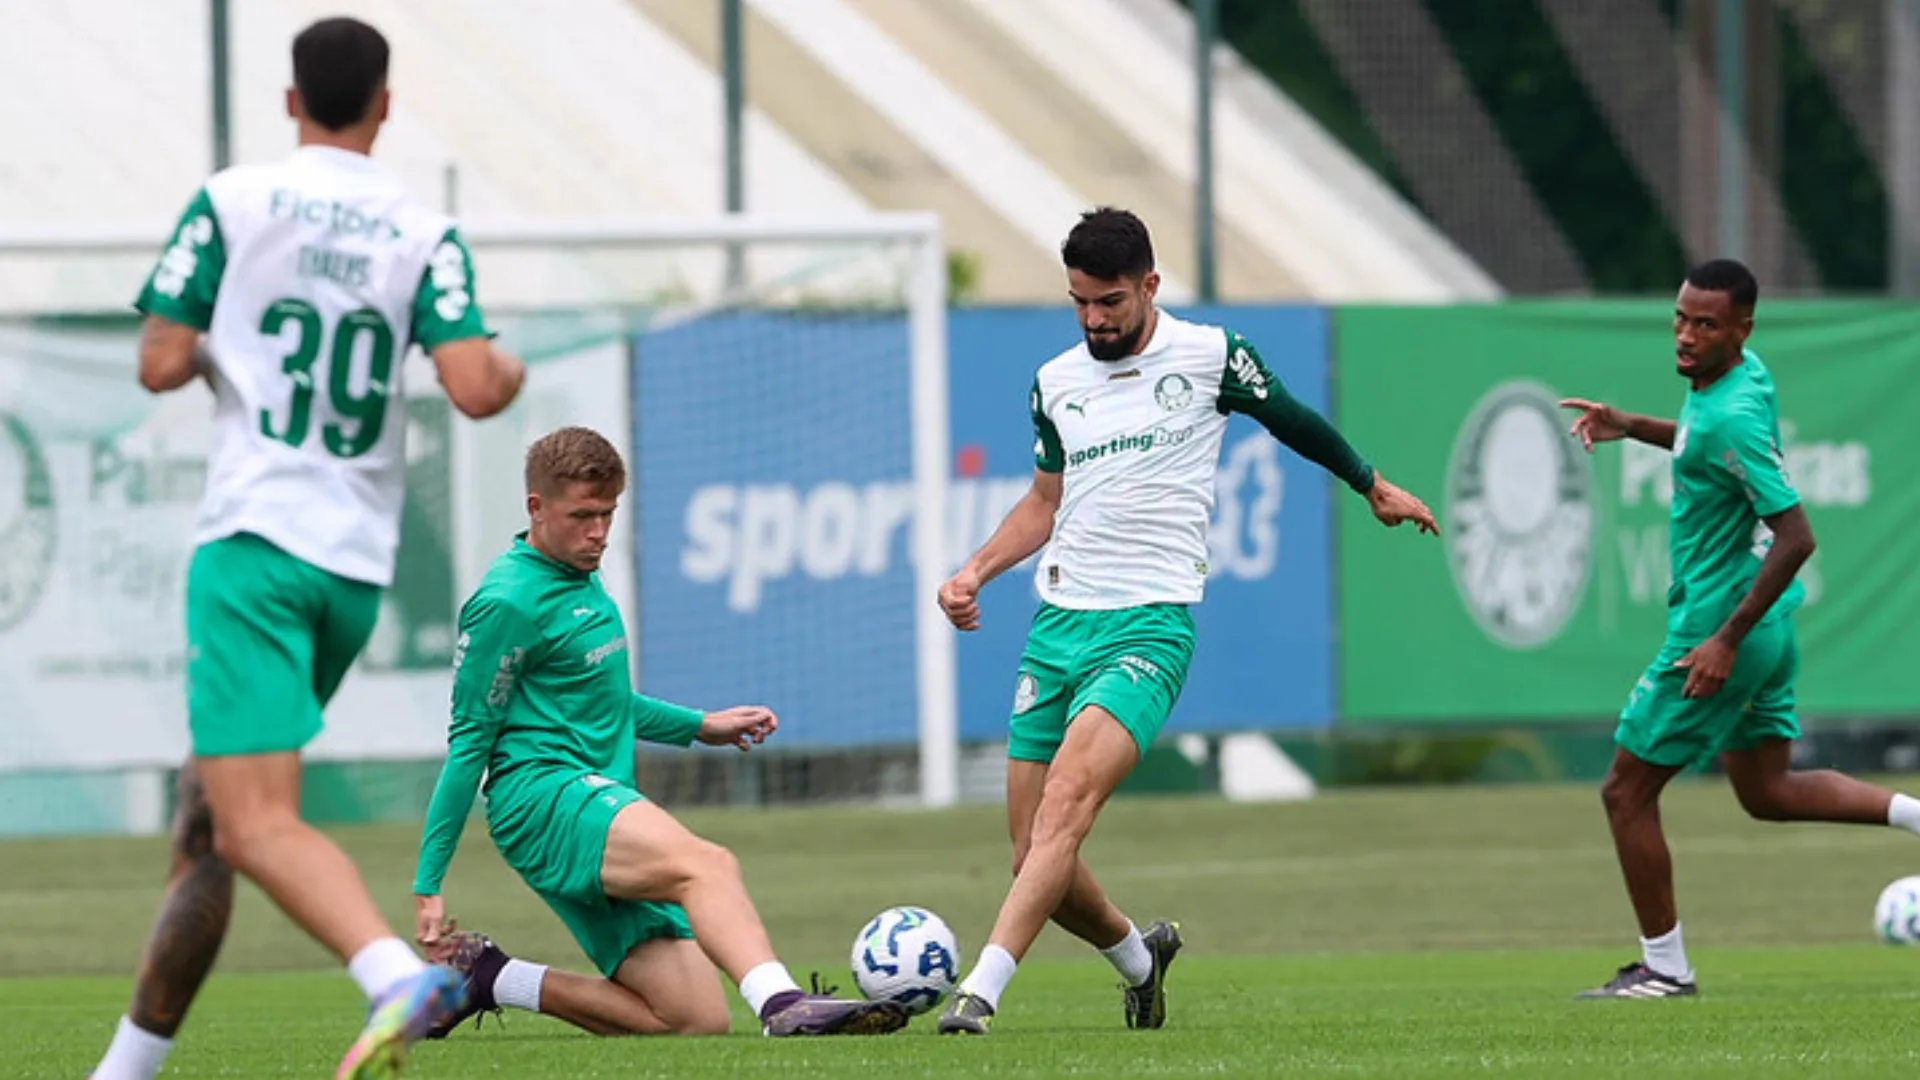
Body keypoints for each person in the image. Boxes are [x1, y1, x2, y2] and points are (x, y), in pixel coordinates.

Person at [88, 16, 527, 1080]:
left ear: (291, 102)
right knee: (209, 818)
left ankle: (392, 975)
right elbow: (475, 387)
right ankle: (124, 1069)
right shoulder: (425, 232)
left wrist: (222, 354)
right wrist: (509, 371)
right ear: (386, 104)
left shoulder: (233, 200)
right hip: (349, 571)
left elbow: (157, 363)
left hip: (253, 545)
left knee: (253, 824)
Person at [933, 207, 1439, 1035]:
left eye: (1111, 302)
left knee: (1065, 807)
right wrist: (975, 570)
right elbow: (1043, 502)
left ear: (1150, 287)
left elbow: (1294, 420)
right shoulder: (1054, 381)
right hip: (1058, 626)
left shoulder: (1211, 356)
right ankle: (1140, 957)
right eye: (1080, 303)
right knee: (1034, 858)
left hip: (1148, 628)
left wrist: (1370, 483)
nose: (1095, 319)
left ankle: (977, 995)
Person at [409, 426, 908, 1039]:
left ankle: (487, 977)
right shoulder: (507, 602)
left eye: (607, 514)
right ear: (536, 508)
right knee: (708, 865)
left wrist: (702, 727)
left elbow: (604, 702)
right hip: (543, 798)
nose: (598, 532)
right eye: (581, 516)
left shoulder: (577, 572)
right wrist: (427, 885)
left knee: (692, 1020)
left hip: (591, 792)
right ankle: (783, 1006)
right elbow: (468, 744)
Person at [1561, 258, 1920, 999]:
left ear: (1742, 328)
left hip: (1717, 630)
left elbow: (1796, 535)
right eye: (1681, 319)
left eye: (1706, 324)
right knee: (1768, 791)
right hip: (1763, 633)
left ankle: (1664, 970)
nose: (1687, 336)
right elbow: (1699, 441)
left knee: (1624, 793)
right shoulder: (1738, 378)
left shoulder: (1731, 410)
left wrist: (1723, 639)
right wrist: (1632, 426)